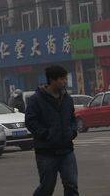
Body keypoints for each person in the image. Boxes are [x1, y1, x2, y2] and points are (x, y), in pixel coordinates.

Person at [24, 65, 79, 196]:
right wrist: (46, 134)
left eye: (66, 78)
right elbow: (30, 121)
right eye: (62, 79)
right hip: (46, 152)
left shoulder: (67, 99)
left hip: (67, 150)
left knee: (72, 185)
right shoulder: (36, 99)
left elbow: (72, 118)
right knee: (47, 188)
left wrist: (72, 131)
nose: (65, 81)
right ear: (52, 80)